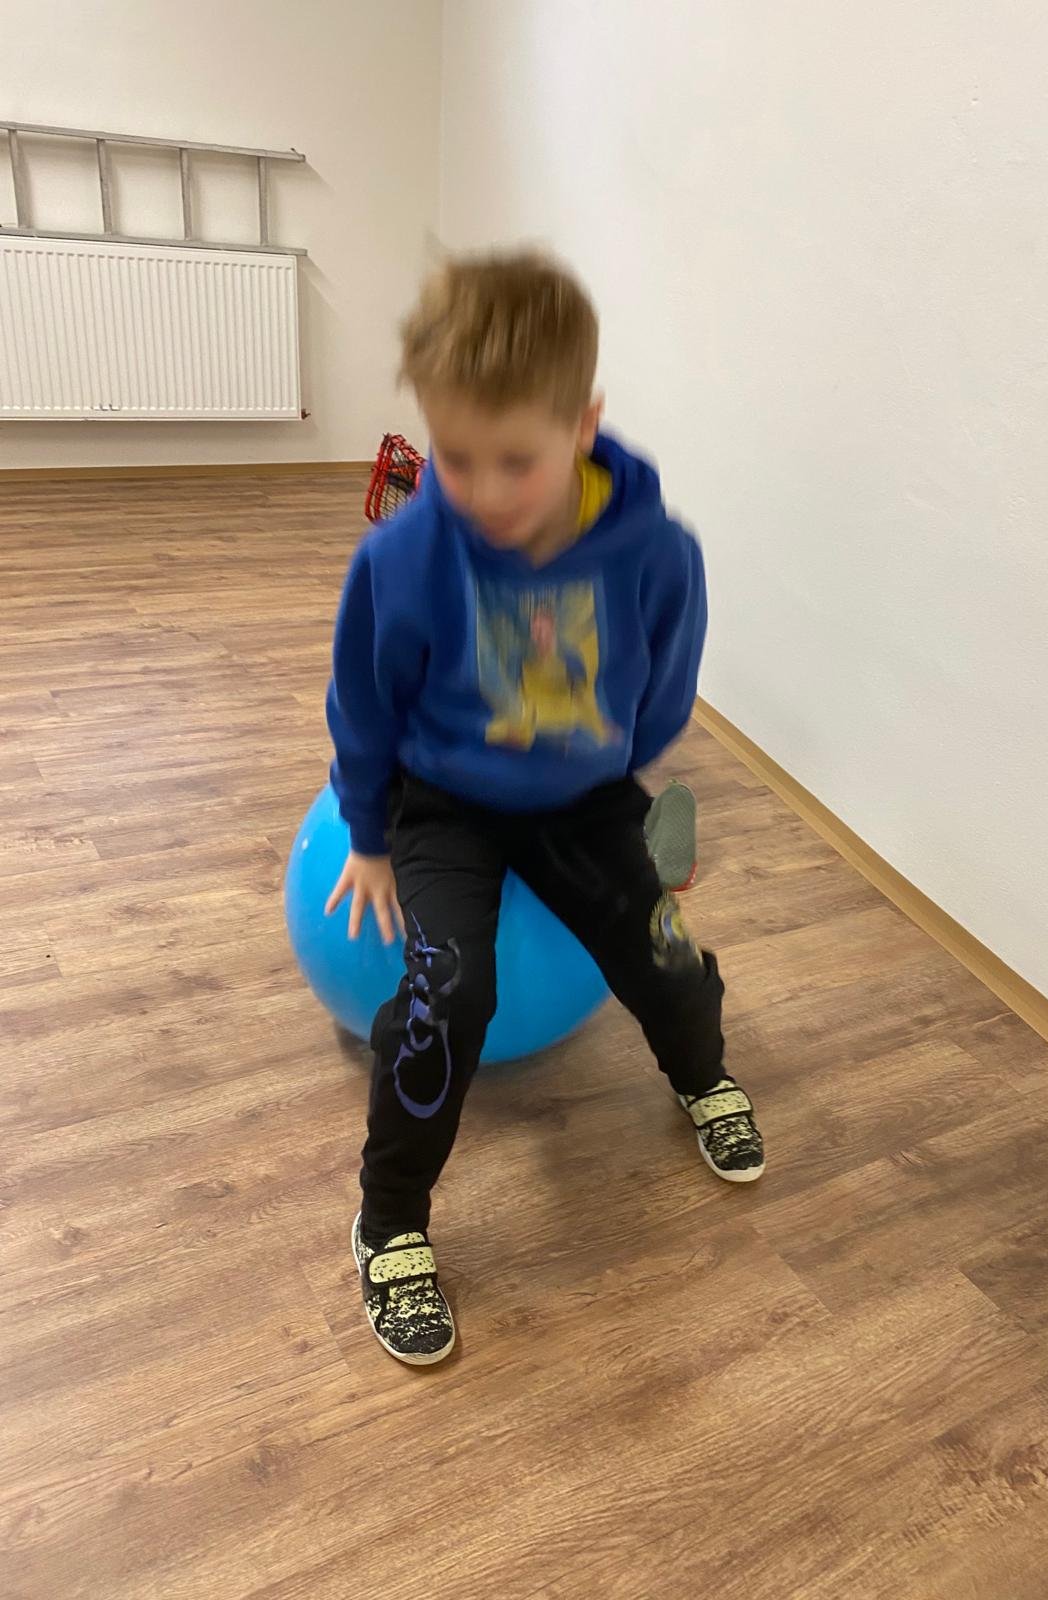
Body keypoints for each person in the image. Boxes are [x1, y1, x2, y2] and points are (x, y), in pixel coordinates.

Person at [325, 250, 765, 1366]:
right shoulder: (403, 557)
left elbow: (665, 684)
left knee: (661, 951)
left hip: (584, 797)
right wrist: (367, 833)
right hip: (442, 804)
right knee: (449, 991)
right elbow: (363, 701)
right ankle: (390, 1220)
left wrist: (619, 774)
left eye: (514, 461)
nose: (481, 491)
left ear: (583, 425)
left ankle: (703, 1074)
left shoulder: (655, 551)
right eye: (455, 457)